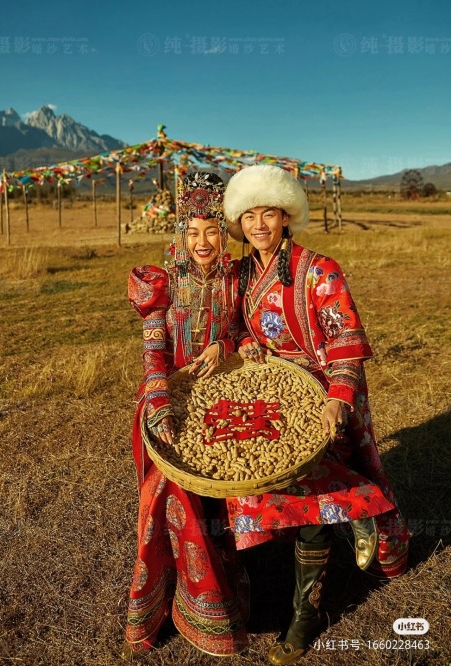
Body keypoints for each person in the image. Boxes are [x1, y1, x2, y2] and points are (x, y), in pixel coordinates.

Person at [222, 165, 410, 665]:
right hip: (274, 393)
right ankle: (349, 507)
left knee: (307, 490)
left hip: (323, 392)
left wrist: (336, 398)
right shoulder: (242, 274)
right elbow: (239, 328)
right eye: (249, 215)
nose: (259, 224)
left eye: (269, 213)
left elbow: (345, 342)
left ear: (287, 216)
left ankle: (307, 612)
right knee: (256, 472)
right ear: (238, 222)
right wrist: (248, 347)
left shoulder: (321, 269)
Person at [122, 172, 249, 658]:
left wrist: (225, 342)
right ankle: (189, 604)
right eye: (193, 231)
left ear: (224, 232)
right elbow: (154, 355)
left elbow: (248, 334)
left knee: (221, 493)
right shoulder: (161, 282)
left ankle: (226, 589)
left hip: (220, 399)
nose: (202, 242)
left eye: (212, 231)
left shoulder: (237, 280)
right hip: (167, 399)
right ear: (180, 234)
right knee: (174, 494)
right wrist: (159, 408)